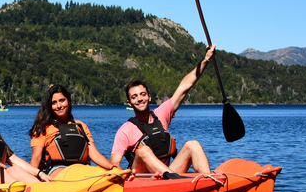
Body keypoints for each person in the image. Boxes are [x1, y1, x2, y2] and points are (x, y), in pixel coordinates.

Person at [110, 44, 216, 177]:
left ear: (149, 97)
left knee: (192, 145)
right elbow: (114, 163)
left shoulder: (162, 113)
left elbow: (184, 86)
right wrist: (122, 175)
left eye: (143, 94)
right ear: (129, 103)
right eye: (134, 97)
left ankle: (209, 183)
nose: (140, 99)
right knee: (143, 151)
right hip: (142, 180)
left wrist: (205, 60)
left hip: (167, 178)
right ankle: (176, 180)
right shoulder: (125, 130)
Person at [28, 84, 117, 177]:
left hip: (82, 168)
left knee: (106, 174)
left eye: (62, 100)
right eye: (54, 103)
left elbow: (94, 154)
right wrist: (31, 181)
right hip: (55, 169)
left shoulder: (81, 126)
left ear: (68, 101)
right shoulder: (42, 128)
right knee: (77, 175)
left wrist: (112, 167)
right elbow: (36, 157)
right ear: (49, 106)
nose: (59, 106)